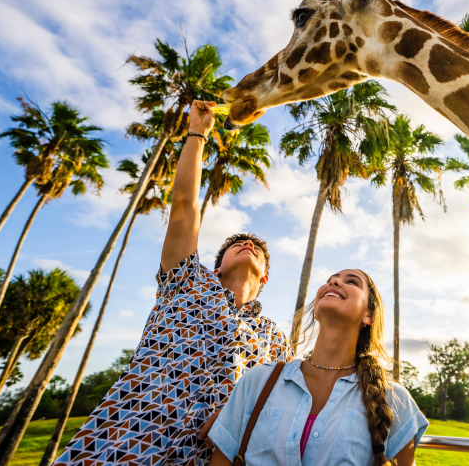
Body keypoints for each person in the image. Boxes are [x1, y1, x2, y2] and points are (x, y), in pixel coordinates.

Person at [55, 101, 293, 466]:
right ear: (215, 270)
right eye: (235, 245)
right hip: (120, 444)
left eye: (256, 250)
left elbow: (283, 404)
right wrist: (198, 133)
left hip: (206, 458)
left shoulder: (276, 339)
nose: (246, 245)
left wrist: (242, 421)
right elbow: (184, 205)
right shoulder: (186, 282)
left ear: (264, 277)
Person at [202, 269, 428, 466]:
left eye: (352, 281)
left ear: (368, 315)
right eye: (331, 279)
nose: (334, 282)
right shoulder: (259, 380)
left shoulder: (395, 400)